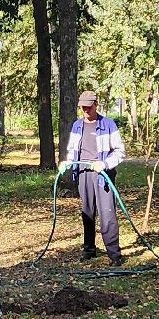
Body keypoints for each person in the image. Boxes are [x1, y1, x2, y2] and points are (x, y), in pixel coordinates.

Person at [63, 90, 126, 264]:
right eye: (82, 108)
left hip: (103, 174)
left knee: (107, 214)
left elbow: (120, 152)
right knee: (87, 212)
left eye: (88, 107)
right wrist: (66, 163)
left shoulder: (108, 124)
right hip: (84, 173)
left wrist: (104, 164)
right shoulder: (77, 126)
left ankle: (114, 255)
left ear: (95, 105)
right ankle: (89, 249)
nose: (85, 111)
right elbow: (72, 150)